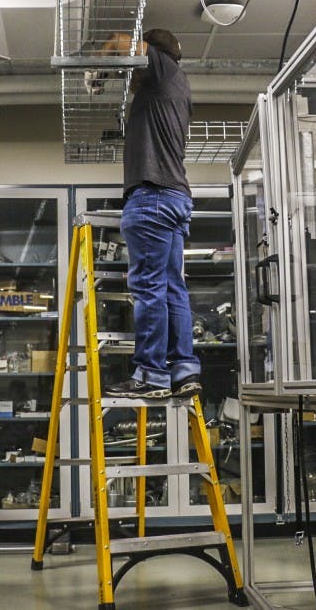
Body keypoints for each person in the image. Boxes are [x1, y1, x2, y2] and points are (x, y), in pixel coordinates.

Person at [105, 28, 201, 400]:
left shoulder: (164, 70)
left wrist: (95, 72)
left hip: (153, 198)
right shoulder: (172, 89)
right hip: (174, 200)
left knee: (148, 288)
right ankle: (183, 370)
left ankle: (151, 374)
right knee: (172, 288)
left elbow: (116, 39)